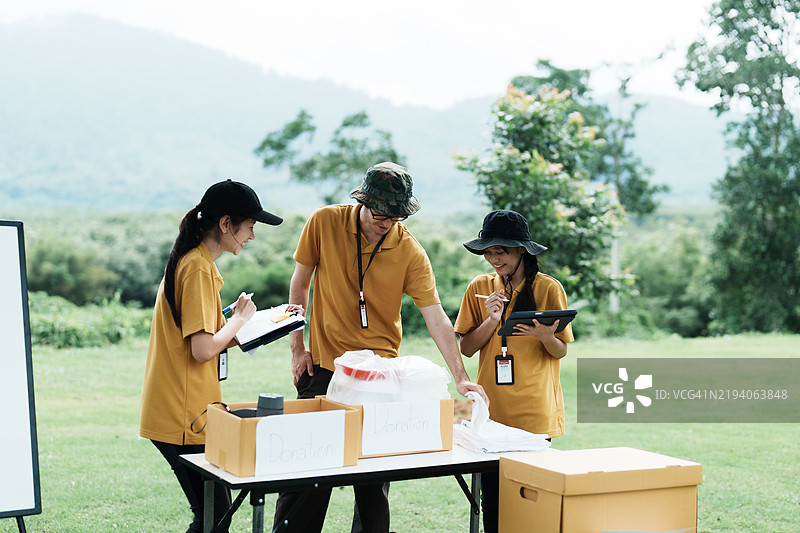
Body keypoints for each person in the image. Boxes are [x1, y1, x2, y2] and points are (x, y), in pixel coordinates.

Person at [273, 161, 488, 533]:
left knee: (374, 482)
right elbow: (300, 284)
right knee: (306, 478)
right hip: (322, 368)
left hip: (379, 379)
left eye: (396, 216)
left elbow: (435, 317)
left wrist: (461, 377)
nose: (387, 222)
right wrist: (297, 347)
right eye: (381, 213)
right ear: (363, 202)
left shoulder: (409, 251)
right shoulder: (324, 222)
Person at [139, 179, 282, 533]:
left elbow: (209, 338)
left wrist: (269, 321)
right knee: (214, 517)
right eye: (250, 226)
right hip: (182, 415)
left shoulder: (193, 262)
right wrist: (240, 320)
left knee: (213, 515)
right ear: (226, 223)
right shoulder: (198, 268)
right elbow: (203, 350)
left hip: (183, 411)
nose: (252, 236)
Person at [454, 209, 575, 533]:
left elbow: (561, 350)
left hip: (535, 411)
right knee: (493, 501)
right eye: (488, 252)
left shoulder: (549, 288)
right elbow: (466, 348)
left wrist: (545, 336)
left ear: (521, 250)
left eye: (501, 251)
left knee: (532, 500)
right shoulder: (479, 287)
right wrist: (491, 320)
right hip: (491, 412)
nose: (494, 259)